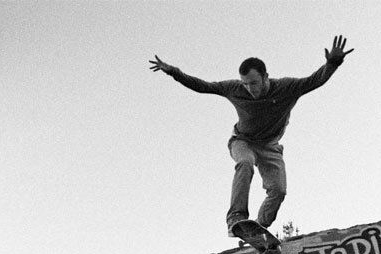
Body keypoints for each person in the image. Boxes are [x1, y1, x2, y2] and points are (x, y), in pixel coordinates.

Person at [149, 36, 354, 237]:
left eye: (254, 83)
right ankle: (236, 218)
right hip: (242, 141)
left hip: (270, 146)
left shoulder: (286, 88)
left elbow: (314, 81)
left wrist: (333, 63)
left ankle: (257, 229)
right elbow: (204, 86)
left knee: (278, 190)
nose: (249, 89)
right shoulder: (234, 88)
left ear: (266, 77)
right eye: (245, 84)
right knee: (245, 163)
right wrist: (174, 72)